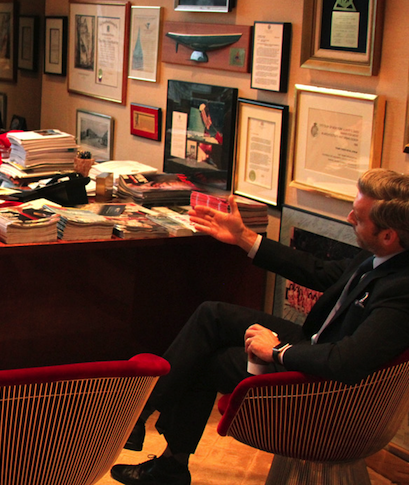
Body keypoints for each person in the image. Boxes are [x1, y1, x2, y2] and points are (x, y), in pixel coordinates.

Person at [111, 168, 409, 485]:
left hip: (323, 388)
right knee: (212, 315)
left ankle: (164, 459)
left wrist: (278, 351)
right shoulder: (383, 256)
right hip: (316, 344)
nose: (349, 218)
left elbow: (346, 360)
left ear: (388, 235)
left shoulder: (401, 290)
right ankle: (140, 417)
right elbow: (319, 271)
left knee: (209, 361)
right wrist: (244, 237)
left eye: (358, 218)